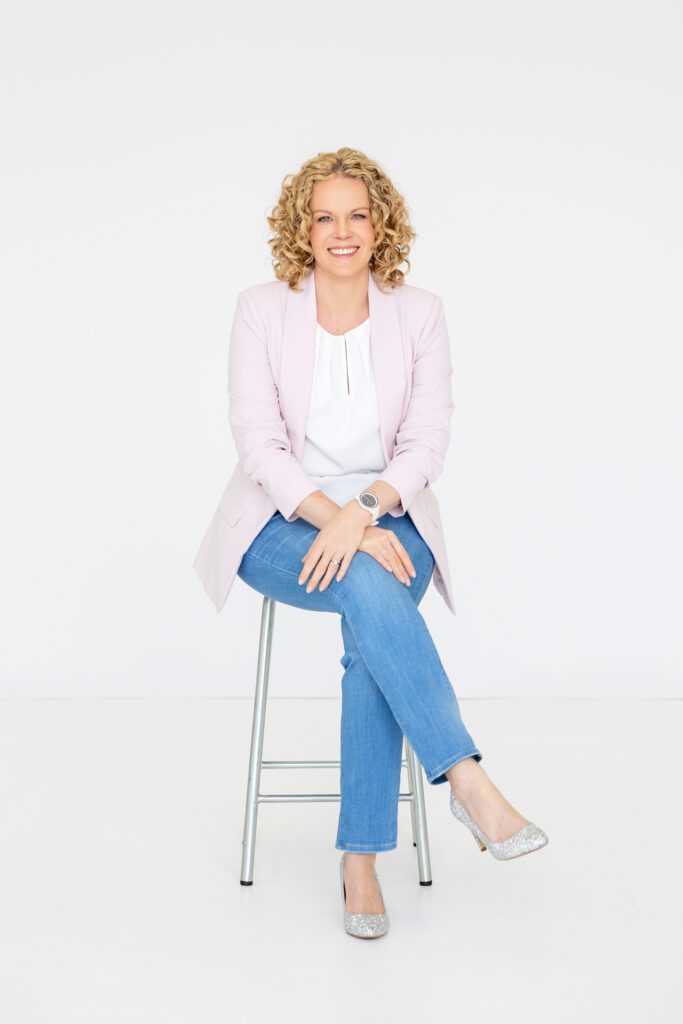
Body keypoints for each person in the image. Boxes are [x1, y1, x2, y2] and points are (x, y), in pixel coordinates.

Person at [194, 147, 548, 940]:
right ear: (302, 227)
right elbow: (259, 445)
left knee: (369, 605)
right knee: (367, 583)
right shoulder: (261, 308)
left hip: (391, 518)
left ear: (381, 223)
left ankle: (362, 859)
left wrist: (362, 512)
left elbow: (425, 443)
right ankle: (462, 780)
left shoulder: (417, 312)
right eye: (324, 216)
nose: (341, 231)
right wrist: (339, 519)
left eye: (357, 214)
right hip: (279, 524)